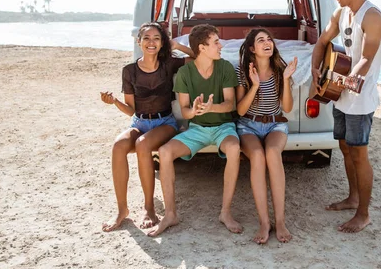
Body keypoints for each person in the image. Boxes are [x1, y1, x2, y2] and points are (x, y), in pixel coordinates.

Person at [148, 24, 242, 237]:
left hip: (223, 127)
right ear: (202, 48)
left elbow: (230, 104)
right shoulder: (184, 73)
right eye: (216, 42)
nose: (221, 45)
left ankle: (225, 213)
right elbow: (185, 111)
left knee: (234, 149)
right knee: (164, 152)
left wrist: (211, 108)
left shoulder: (225, 67)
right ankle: (170, 214)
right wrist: (196, 111)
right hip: (198, 128)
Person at [311, 0, 381, 233]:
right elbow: (322, 42)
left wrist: (348, 80)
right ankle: (353, 197)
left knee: (359, 154)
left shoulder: (372, 16)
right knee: (344, 149)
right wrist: (316, 70)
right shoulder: (340, 13)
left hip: (360, 98)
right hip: (341, 95)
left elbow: (366, 57)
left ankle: (363, 214)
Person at [100, 22, 195, 232]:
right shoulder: (129, 71)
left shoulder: (169, 63)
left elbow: (199, 57)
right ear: (139, 42)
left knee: (143, 145)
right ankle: (122, 210)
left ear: (162, 43)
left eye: (156, 38)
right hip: (140, 122)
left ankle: (149, 208)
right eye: (147, 38)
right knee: (118, 146)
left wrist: (177, 45)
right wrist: (114, 101)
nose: (151, 42)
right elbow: (131, 110)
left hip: (165, 122)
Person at [235, 28, 298, 244]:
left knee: (272, 153)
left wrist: (287, 79)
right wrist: (254, 85)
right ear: (252, 48)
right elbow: (241, 111)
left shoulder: (280, 70)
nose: (267, 42)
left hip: (275, 124)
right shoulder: (242, 71)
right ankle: (264, 222)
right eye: (261, 40)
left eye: (269, 39)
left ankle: (280, 221)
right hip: (248, 125)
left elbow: (287, 108)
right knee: (258, 157)